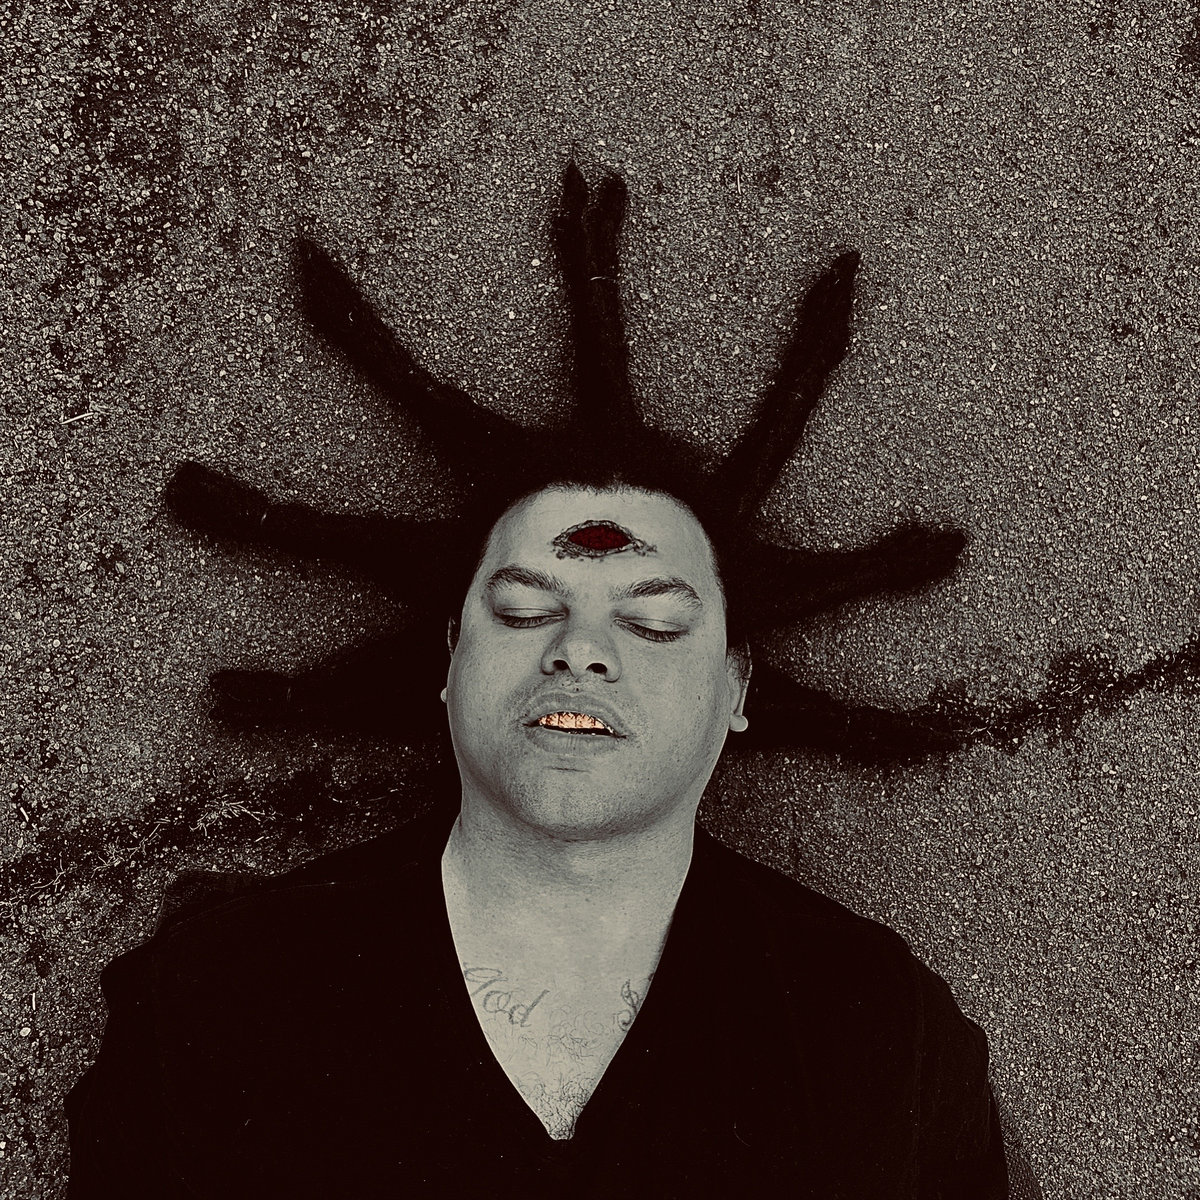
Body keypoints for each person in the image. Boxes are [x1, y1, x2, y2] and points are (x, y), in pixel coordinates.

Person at [65, 476, 1009, 1198]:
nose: (579, 649)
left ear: (736, 688)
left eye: (654, 623)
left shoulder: (882, 1032)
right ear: (450, 661)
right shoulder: (214, 997)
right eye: (524, 611)